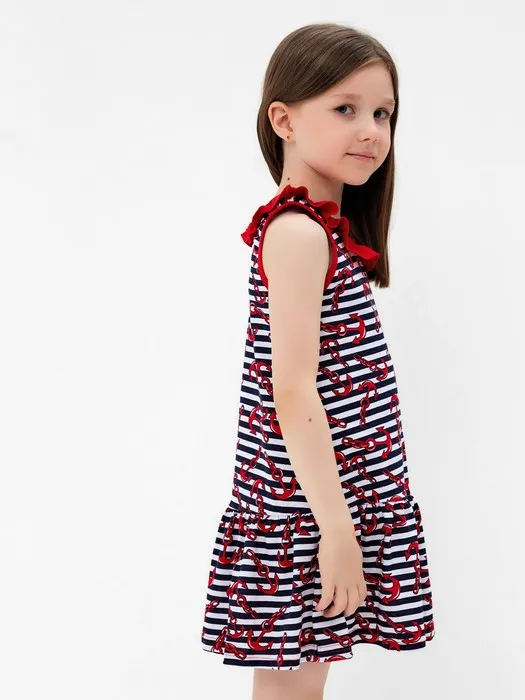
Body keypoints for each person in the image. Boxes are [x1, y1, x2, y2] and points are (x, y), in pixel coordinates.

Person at [200, 21, 435, 699]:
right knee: (290, 690)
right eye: (345, 109)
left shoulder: (324, 232)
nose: (370, 131)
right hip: (307, 507)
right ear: (285, 120)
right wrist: (336, 528)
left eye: (383, 114)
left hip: (330, 495)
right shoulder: (299, 233)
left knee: (303, 685)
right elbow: (293, 390)